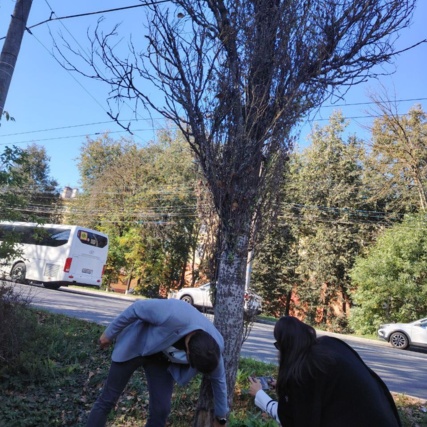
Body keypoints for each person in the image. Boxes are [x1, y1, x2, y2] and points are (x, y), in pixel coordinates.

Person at [86, 298, 229, 427]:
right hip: (137, 344)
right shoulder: (173, 314)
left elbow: (219, 381)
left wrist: (221, 418)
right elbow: (137, 308)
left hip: (161, 360)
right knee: (108, 399)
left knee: (161, 410)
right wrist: (109, 333)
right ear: (188, 352)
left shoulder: (212, 350)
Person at [249, 316, 402, 427]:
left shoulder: (303, 371)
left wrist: (259, 394)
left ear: (284, 347)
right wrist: (288, 389)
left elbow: (293, 419)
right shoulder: (330, 345)